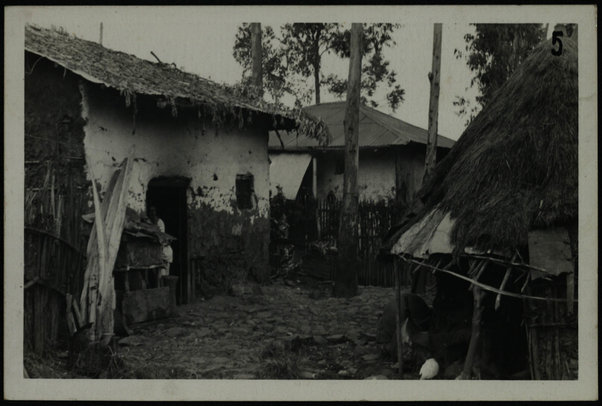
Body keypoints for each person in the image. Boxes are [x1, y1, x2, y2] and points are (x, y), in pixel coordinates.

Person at [148, 206, 173, 284]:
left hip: (165, 254)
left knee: (163, 275)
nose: (152, 213)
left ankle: (163, 289)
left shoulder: (160, 222)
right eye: (150, 211)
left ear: (156, 212)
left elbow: (160, 235)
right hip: (159, 253)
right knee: (157, 275)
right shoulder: (149, 222)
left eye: (153, 211)